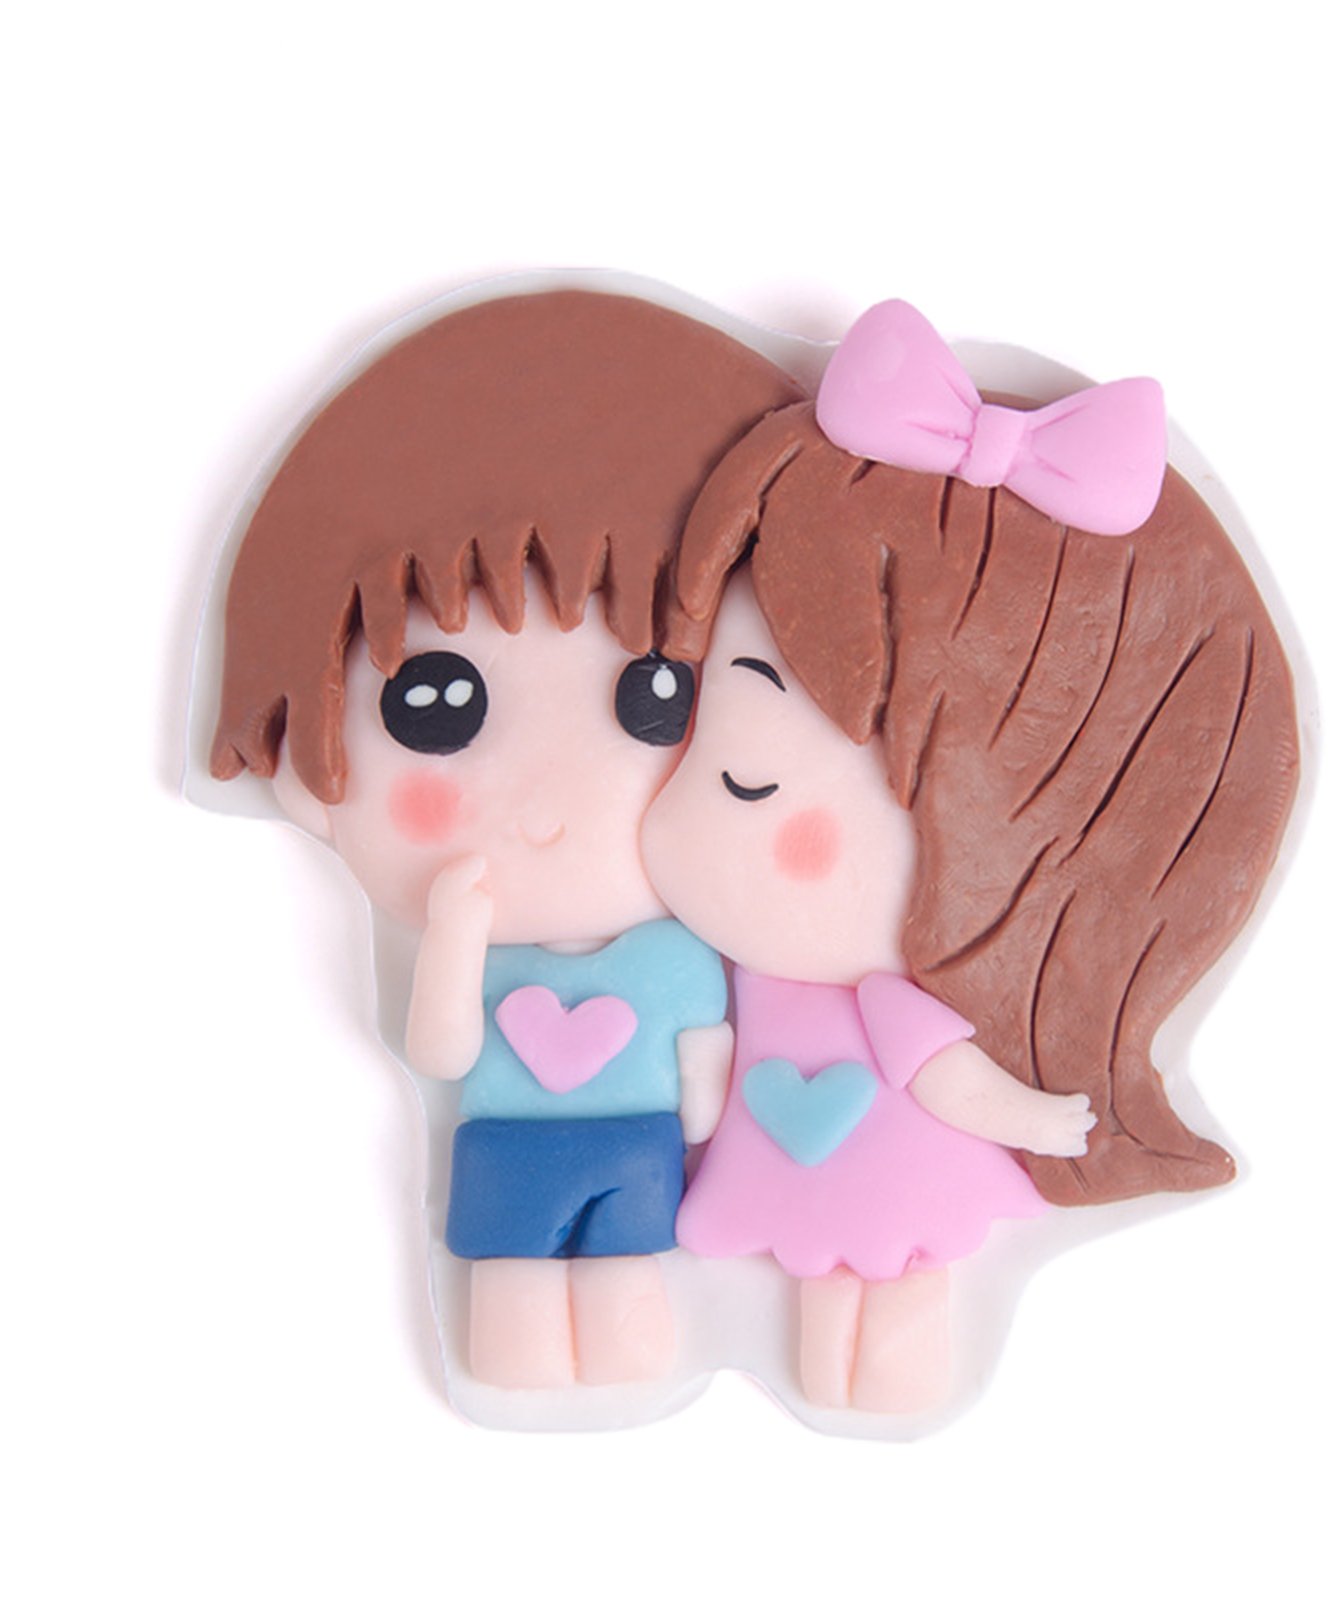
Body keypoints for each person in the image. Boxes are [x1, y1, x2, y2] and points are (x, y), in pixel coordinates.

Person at [643, 300, 1300, 1412]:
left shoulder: (890, 995)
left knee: (894, 1279)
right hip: (780, 1166)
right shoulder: (730, 976)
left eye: (747, 782)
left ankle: (890, 1374)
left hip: (900, 1175)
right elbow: (700, 1056)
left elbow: (946, 1077)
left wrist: (1039, 1121)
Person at [210, 287, 801, 1388]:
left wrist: (713, 1121)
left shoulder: (675, 954)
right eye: (434, 705)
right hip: (506, 1146)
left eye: (655, 698)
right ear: (304, 773)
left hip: (633, 1151)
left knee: (629, 1295)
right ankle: (520, 1373)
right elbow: (438, 1051)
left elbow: (706, 1062)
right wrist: (451, 934)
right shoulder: (487, 949)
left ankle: (622, 1364)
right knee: (513, 1310)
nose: (552, 798)